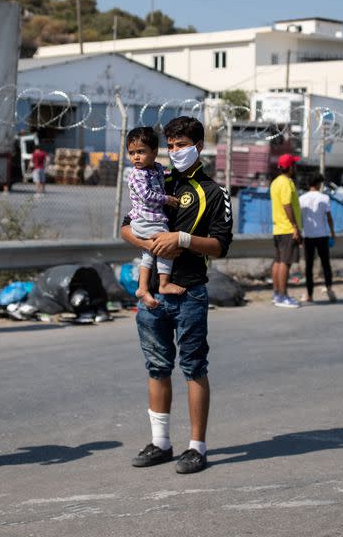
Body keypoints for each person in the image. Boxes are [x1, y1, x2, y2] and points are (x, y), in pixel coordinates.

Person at [120, 116, 233, 475]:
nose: (174, 152)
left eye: (181, 145)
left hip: (189, 291)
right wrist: (148, 243)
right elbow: (126, 226)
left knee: (194, 367)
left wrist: (181, 240)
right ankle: (161, 442)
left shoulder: (214, 192)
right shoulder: (154, 178)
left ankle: (196, 447)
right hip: (152, 292)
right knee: (157, 368)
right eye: (169, 145)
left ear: (198, 146)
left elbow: (220, 246)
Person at [125, 126, 182, 308]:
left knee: (148, 255)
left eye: (141, 152)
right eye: (132, 153)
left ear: (154, 152)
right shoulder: (137, 175)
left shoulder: (155, 168)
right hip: (147, 219)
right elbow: (146, 195)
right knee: (165, 245)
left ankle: (142, 289)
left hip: (150, 219)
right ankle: (163, 284)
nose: (136, 157)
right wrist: (167, 199)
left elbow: (164, 173)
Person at [269, 153, 302, 308]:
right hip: (287, 228)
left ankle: (277, 294)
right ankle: (283, 296)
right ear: (289, 167)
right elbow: (287, 205)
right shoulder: (287, 183)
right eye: (294, 165)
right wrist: (295, 227)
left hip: (278, 228)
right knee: (285, 263)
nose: (296, 168)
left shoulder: (275, 182)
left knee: (278, 262)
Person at [299, 173, 337, 303]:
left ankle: (309, 294)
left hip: (308, 236)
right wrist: (332, 233)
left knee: (309, 266)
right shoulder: (325, 198)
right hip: (322, 235)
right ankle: (329, 288)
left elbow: (300, 219)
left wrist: (299, 234)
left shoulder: (301, 199)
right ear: (319, 184)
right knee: (326, 264)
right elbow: (329, 218)